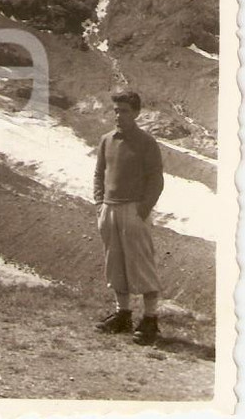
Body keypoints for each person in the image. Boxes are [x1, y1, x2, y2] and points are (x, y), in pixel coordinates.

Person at [93, 90, 164, 345]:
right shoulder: (106, 140)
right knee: (115, 264)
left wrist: (142, 211)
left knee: (141, 264)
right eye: (115, 110)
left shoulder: (146, 142)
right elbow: (99, 174)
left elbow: (156, 180)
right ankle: (122, 315)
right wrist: (100, 204)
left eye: (123, 111)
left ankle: (150, 319)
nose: (118, 115)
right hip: (109, 209)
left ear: (136, 113)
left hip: (134, 211)